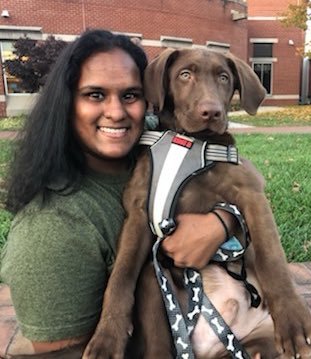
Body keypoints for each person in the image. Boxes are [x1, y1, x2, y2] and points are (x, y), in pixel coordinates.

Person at [0, 29, 237, 356]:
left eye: (130, 95)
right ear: (67, 103)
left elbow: (242, 189)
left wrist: (222, 221)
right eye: (95, 95)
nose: (116, 112)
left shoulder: (161, 141)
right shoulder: (50, 229)